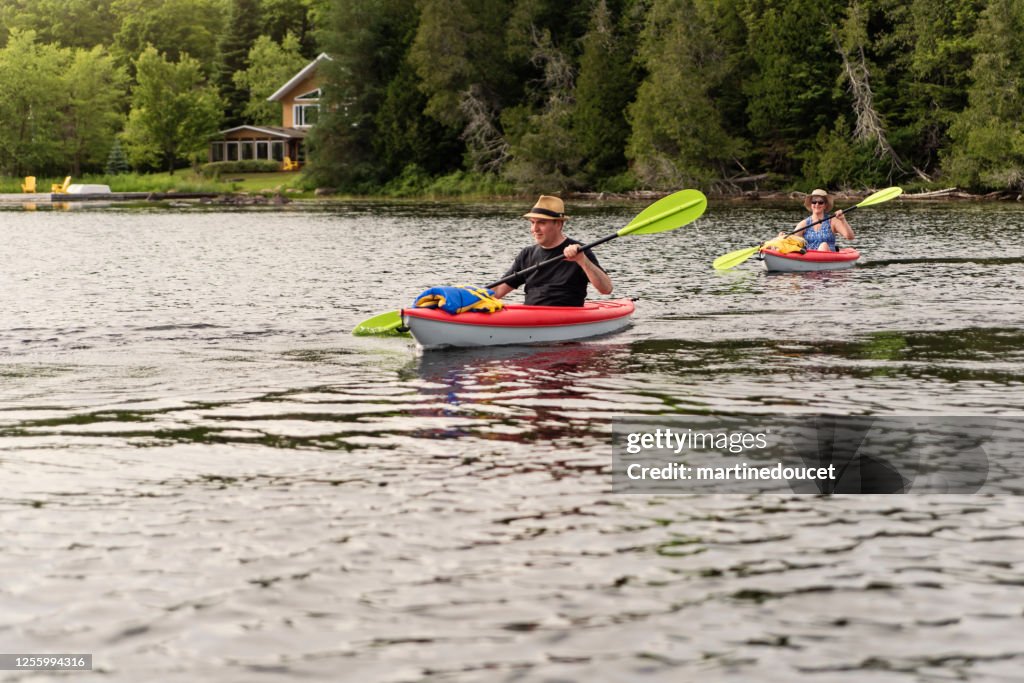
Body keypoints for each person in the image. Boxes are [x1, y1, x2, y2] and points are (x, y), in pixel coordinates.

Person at [491, 195, 613, 307]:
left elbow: (606, 289)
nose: (534, 229)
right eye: (532, 223)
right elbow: (498, 290)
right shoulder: (527, 254)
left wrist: (582, 261)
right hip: (531, 316)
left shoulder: (580, 251)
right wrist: (474, 297)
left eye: (541, 223)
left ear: (558, 224)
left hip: (566, 318)